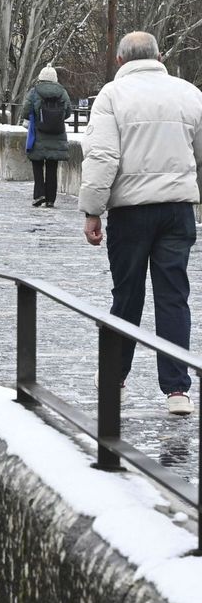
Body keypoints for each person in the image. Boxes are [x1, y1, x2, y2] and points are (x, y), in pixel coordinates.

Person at [80, 31, 202, 416]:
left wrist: (92, 210)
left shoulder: (112, 96)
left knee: (127, 295)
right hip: (177, 210)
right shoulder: (188, 93)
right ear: (159, 56)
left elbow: (102, 157)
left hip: (131, 211)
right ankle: (177, 390)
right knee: (173, 297)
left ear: (120, 61)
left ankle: (115, 378)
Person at [22, 65, 72, 208]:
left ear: (41, 78)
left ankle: (39, 194)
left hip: (38, 134)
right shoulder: (62, 92)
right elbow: (68, 112)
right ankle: (51, 199)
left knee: (37, 164)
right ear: (55, 79)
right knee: (52, 167)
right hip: (57, 134)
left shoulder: (34, 92)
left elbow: (25, 111)